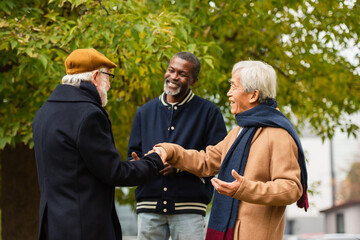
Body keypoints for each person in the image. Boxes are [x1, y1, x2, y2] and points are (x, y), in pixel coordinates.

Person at [155, 60, 309, 240]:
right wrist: (169, 151)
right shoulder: (238, 131)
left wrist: (244, 188)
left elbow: (291, 189)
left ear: (253, 95)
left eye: (233, 87)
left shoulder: (279, 134)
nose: (228, 93)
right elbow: (206, 161)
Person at [32, 48, 164, 240]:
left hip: (52, 226)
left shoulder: (43, 113)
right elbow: (114, 172)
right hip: (86, 227)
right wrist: (155, 161)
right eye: (109, 77)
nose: (109, 85)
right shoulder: (89, 114)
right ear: (95, 76)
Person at [127, 52, 227, 240]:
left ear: (194, 80)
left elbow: (217, 160)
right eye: (171, 70)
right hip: (149, 206)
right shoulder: (144, 112)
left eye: (182, 74)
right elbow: (131, 156)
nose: (174, 76)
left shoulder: (209, 112)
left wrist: (179, 166)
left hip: (189, 207)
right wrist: (140, 165)